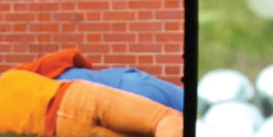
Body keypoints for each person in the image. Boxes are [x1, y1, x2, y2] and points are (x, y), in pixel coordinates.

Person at [0, 65, 183, 137]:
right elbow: (64, 57)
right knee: (164, 117)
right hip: (78, 97)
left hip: (66, 130)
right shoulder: (8, 79)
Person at [14, 47, 185, 112]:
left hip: (114, 105)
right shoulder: (31, 71)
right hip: (122, 83)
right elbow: (72, 55)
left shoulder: (40, 105)